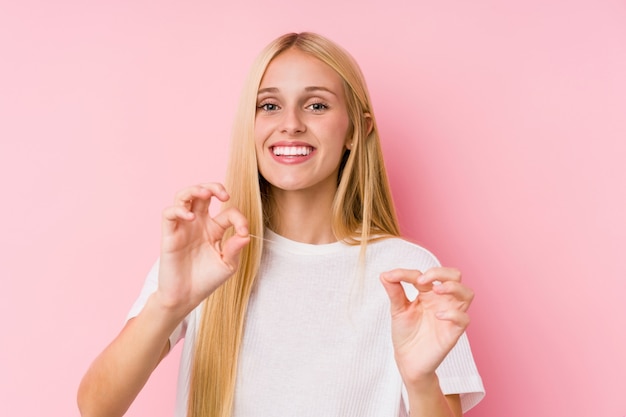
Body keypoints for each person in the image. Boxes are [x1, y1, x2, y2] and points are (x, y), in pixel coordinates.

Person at [77, 32, 484, 417]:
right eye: (269, 105)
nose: (290, 123)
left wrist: (420, 379)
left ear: (356, 131)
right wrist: (169, 302)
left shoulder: (407, 273)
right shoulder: (210, 254)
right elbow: (97, 406)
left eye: (317, 105)